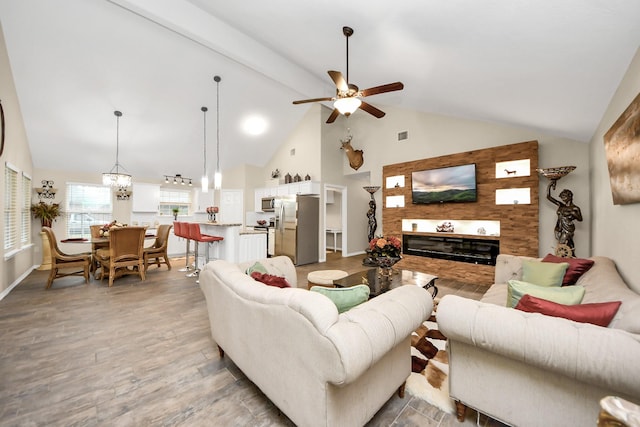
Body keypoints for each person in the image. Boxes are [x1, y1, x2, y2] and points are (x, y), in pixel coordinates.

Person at [546, 181, 582, 255]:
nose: (562, 198)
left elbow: (580, 219)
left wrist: (573, 214)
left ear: (570, 196)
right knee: (569, 244)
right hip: (558, 228)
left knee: (561, 245)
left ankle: (560, 260)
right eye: (561, 197)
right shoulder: (561, 205)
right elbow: (548, 197)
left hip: (568, 228)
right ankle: (573, 257)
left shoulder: (575, 208)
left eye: (564, 196)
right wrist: (550, 185)